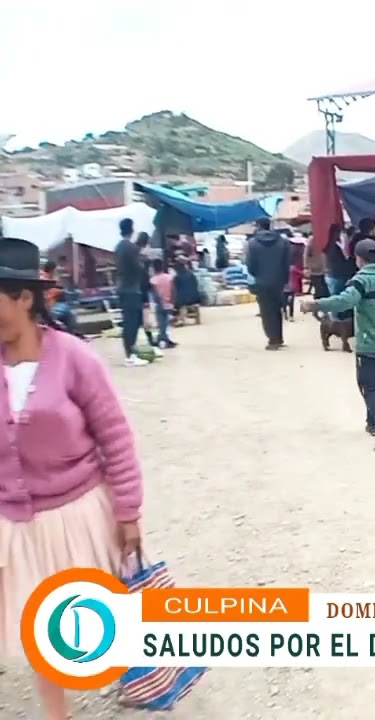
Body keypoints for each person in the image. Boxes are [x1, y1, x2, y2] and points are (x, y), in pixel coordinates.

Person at [0, 237, 143, 720]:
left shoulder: (73, 357)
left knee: (94, 616)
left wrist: (128, 512)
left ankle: (137, 675)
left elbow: (115, 437)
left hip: (78, 511)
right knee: (37, 622)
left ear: (23, 298)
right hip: (18, 523)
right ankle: (55, 713)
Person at [302, 239, 375, 452]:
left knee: (368, 386)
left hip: (369, 343)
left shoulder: (361, 281)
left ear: (358, 259)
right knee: (374, 383)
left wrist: (316, 304)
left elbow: (344, 302)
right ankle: (372, 422)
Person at [244, 217, 290, 350]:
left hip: (261, 282)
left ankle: (272, 340)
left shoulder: (252, 243)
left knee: (266, 311)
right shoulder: (283, 241)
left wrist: (257, 274)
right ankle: (279, 338)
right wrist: (284, 279)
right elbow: (286, 263)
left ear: (258, 226)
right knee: (277, 309)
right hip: (279, 281)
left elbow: (250, 264)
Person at [113, 218, 150, 366]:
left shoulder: (119, 246)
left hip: (122, 288)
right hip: (131, 290)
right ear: (132, 230)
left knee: (128, 321)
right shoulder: (131, 248)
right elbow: (138, 269)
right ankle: (130, 355)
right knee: (132, 323)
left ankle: (130, 354)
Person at [147, 258, 177, 349]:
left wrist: (159, 302)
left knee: (161, 323)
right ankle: (165, 339)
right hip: (169, 303)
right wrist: (173, 301)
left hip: (159, 304)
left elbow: (154, 294)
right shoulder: (169, 277)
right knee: (166, 323)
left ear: (153, 268)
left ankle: (162, 339)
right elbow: (173, 290)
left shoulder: (153, 280)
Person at [324, 224, 358, 298]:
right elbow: (342, 261)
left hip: (330, 275)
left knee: (334, 299)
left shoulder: (329, 245)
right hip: (338, 275)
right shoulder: (336, 247)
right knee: (338, 300)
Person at [171, 258, 202, 325]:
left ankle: (182, 319)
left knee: (181, 304)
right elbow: (196, 284)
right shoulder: (191, 274)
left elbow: (175, 289)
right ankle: (197, 318)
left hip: (184, 299)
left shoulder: (177, 277)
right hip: (195, 296)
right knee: (186, 300)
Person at [304, 231, 329, 300]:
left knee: (323, 289)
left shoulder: (326, 238)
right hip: (315, 269)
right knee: (319, 289)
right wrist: (306, 267)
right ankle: (317, 305)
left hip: (325, 268)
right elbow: (306, 254)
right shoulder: (312, 239)